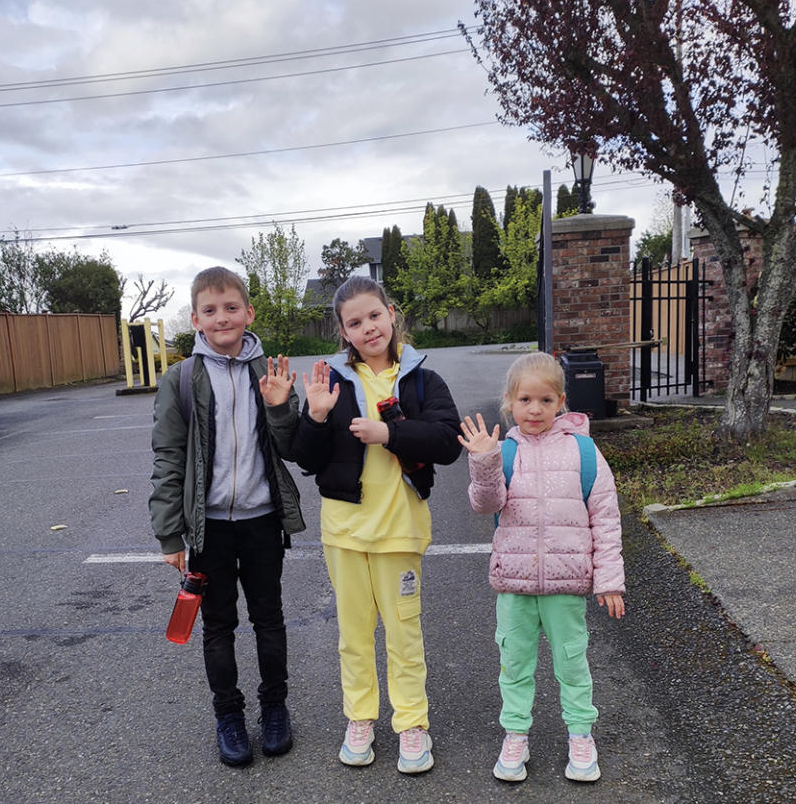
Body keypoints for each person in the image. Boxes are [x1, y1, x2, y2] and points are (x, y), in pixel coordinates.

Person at [291, 276, 461, 775]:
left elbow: (448, 442)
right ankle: (360, 718)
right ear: (343, 332)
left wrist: (391, 432)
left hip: (400, 530)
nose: (367, 328)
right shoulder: (334, 382)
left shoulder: (422, 378)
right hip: (344, 531)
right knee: (354, 634)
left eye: (373, 316)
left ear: (391, 313)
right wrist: (316, 418)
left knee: (404, 634)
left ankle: (411, 724)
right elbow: (305, 458)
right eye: (354, 323)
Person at [148, 266, 305, 767]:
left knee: (268, 619)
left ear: (248, 313)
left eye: (231, 307)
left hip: (262, 519)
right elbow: (168, 455)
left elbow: (292, 447)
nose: (222, 318)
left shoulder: (270, 373)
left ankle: (275, 709)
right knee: (217, 625)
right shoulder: (182, 378)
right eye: (210, 311)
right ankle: (228, 714)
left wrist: (281, 407)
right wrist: (170, 531)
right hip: (208, 526)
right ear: (195, 318)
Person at [458, 351, 625, 784]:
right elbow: (485, 504)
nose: (535, 409)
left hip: (566, 587)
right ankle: (516, 734)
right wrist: (484, 462)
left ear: (562, 402)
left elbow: (605, 517)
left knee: (572, 662)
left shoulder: (584, 452)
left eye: (546, 400)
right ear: (510, 402)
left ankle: (581, 735)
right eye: (526, 400)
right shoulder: (504, 452)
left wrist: (609, 579)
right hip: (514, 585)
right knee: (514, 664)